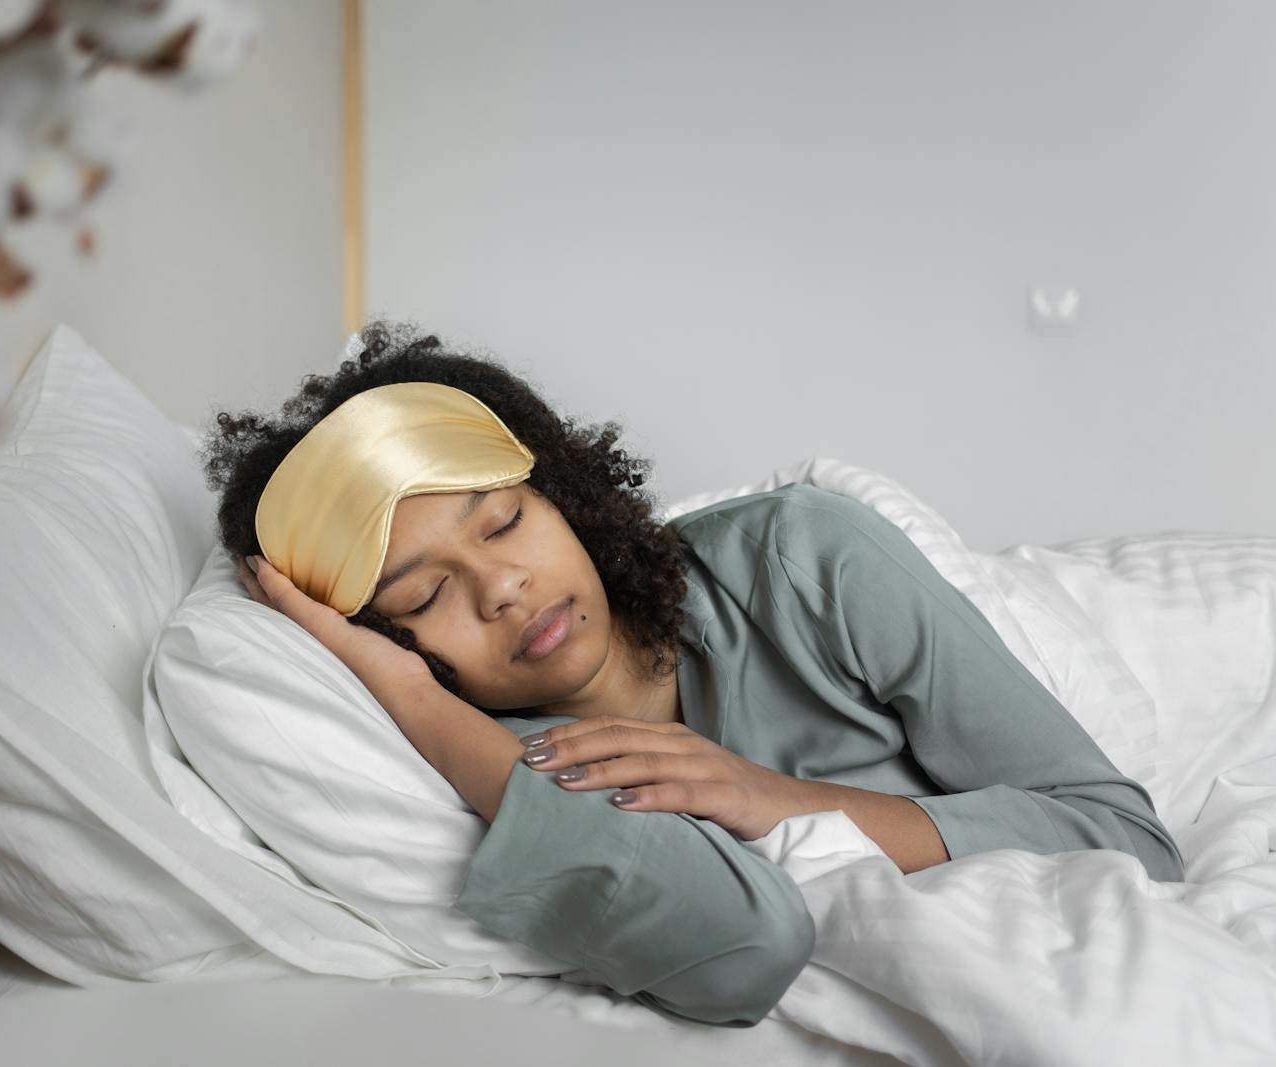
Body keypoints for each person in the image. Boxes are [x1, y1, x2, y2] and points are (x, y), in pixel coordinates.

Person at [202, 318, 1184, 1028]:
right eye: (421, 600)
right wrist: (411, 697)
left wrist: (777, 799)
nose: (502, 585)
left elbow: (1124, 833)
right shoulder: (495, 756)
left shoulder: (800, 556)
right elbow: (741, 949)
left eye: (505, 521)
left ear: (563, 492)